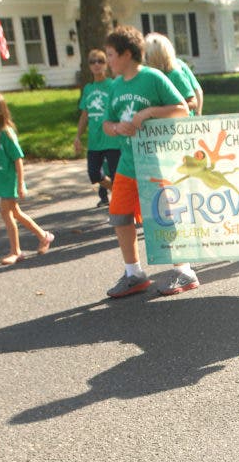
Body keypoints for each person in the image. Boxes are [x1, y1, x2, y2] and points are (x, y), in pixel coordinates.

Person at [101, 25, 190, 298]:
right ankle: (134, 274)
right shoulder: (115, 86)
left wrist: (148, 112)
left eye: (111, 54)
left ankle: (184, 269)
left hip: (156, 162)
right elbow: (106, 124)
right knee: (119, 215)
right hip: (128, 164)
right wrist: (117, 128)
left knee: (162, 216)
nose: (108, 61)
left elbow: (182, 110)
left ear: (127, 54)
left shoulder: (153, 78)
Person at [0, 94, 54, 266]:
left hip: (9, 180)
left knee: (7, 213)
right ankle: (43, 236)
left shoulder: (6, 133)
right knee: (16, 213)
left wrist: (20, 183)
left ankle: (16, 251)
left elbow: (18, 159)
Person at [74, 48, 120, 208]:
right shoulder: (88, 89)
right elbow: (84, 114)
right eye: (92, 62)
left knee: (117, 174)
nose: (96, 65)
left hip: (112, 139)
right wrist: (78, 137)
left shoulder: (113, 85)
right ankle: (120, 194)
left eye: (100, 61)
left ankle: (122, 201)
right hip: (95, 140)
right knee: (94, 174)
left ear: (106, 64)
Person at [144, 33, 198, 116]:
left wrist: (169, 111)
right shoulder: (148, 76)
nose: (144, 59)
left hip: (179, 124)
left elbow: (193, 102)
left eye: (146, 55)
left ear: (157, 56)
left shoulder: (176, 75)